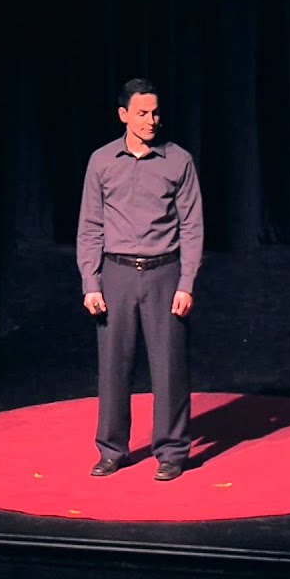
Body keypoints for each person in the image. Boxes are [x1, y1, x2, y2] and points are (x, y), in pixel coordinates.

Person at [76, 78, 204, 482]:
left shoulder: (178, 160)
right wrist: (90, 282)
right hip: (115, 274)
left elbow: (192, 226)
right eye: (143, 113)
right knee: (113, 366)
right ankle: (112, 450)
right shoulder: (101, 161)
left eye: (156, 112)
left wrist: (186, 282)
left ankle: (171, 451)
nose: (152, 120)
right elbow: (90, 226)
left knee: (169, 367)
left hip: (164, 273)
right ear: (124, 115)